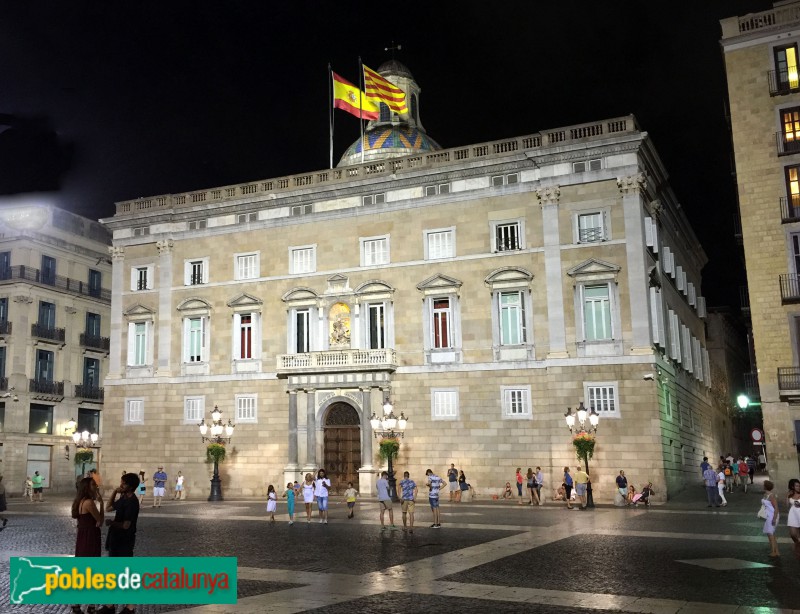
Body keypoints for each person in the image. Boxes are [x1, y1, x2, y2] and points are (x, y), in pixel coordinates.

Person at [100, 472, 141, 614]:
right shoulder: (123, 498)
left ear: (130, 486)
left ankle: (130, 606)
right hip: (116, 539)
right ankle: (110, 605)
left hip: (125, 540)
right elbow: (109, 508)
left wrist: (112, 523)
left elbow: (126, 525)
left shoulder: (132, 502)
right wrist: (113, 493)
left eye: (123, 483)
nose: (120, 485)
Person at [71, 477, 104, 614]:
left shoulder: (79, 502)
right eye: (92, 484)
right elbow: (100, 520)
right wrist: (101, 503)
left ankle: (77, 603)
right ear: (86, 487)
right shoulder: (89, 502)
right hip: (91, 537)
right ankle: (91, 604)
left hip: (83, 537)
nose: (95, 486)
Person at [762, 480, 780, 558]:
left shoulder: (771, 496)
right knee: (771, 534)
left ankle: (773, 552)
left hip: (772, 515)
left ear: (765, 486)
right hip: (768, 515)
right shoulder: (765, 494)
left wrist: (774, 518)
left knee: (770, 534)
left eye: (763, 485)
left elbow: (776, 508)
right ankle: (777, 551)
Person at [786, 478, 800, 559]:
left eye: (799, 486)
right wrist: (787, 496)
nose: (799, 487)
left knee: (798, 534)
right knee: (793, 534)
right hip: (793, 515)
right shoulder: (790, 495)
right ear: (792, 486)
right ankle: (797, 544)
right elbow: (787, 506)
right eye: (797, 486)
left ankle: (798, 549)